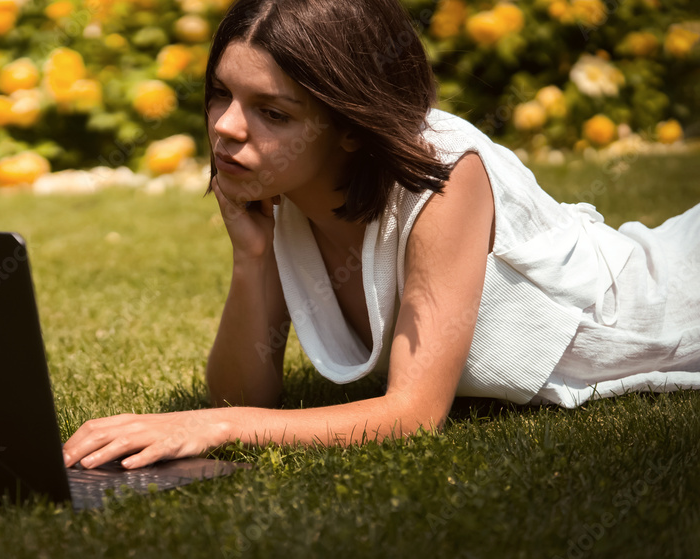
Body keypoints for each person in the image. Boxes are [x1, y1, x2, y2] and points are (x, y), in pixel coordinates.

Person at [62, 0, 700, 470]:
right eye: (220, 94)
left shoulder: (447, 175)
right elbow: (239, 390)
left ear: (350, 124)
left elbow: (413, 416)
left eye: (272, 112)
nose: (227, 127)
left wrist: (218, 426)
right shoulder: (289, 188)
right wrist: (251, 258)